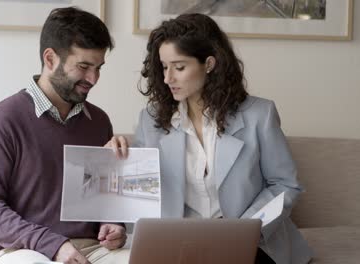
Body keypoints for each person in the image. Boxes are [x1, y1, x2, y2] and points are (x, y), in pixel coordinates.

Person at [132, 13, 313, 264]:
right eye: (164, 66)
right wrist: (119, 160)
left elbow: (285, 185)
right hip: (181, 241)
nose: (167, 78)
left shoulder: (259, 114)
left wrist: (246, 231)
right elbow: (140, 192)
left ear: (209, 64)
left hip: (252, 241)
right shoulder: (150, 120)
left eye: (179, 67)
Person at [0, 7, 129, 264]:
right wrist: (54, 245)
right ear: (50, 59)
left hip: (90, 250)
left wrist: (114, 224)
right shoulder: (2, 121)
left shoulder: (99, 121)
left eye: (99, 67)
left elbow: (103, 199)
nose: (93, 78)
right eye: (84, 66)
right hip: (23, 250)